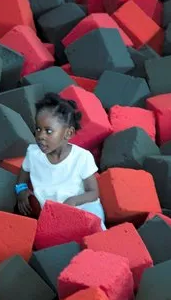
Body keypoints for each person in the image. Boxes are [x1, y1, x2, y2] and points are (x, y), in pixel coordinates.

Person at [15, 92, 107, 230]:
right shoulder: (33, 154)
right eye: (38, 129)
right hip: (53, 215)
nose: (40, 136)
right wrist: (21, 191)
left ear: (68, 133)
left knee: (95, 234)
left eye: (48, 131)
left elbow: (93, 193)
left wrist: (73, 201)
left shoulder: (82, 157)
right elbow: (23, 174)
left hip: (84, 208)